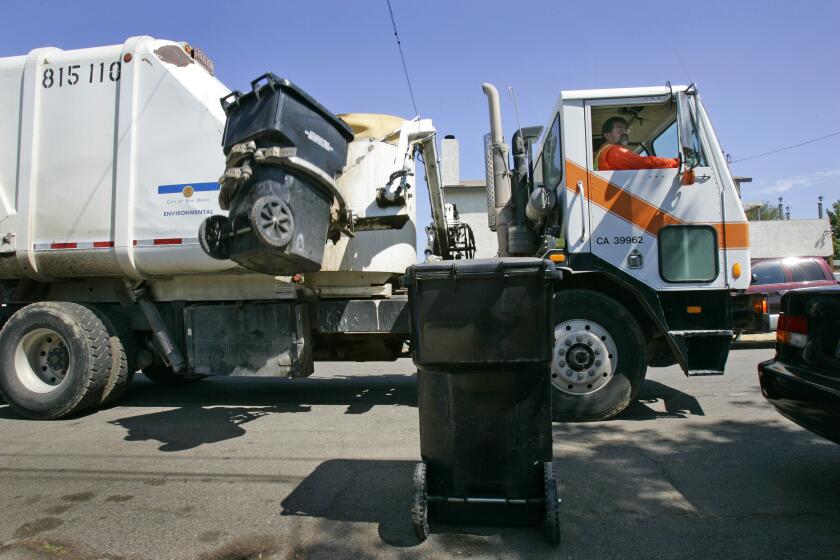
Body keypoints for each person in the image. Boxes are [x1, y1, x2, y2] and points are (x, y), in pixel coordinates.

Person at [594, 117, 679, 171]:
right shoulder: (613, 152)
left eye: (626, 130)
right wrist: (676, 163)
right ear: (607, 135)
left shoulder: (603, 152)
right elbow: (645, 164)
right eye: (620, 130)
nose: (624, 133)